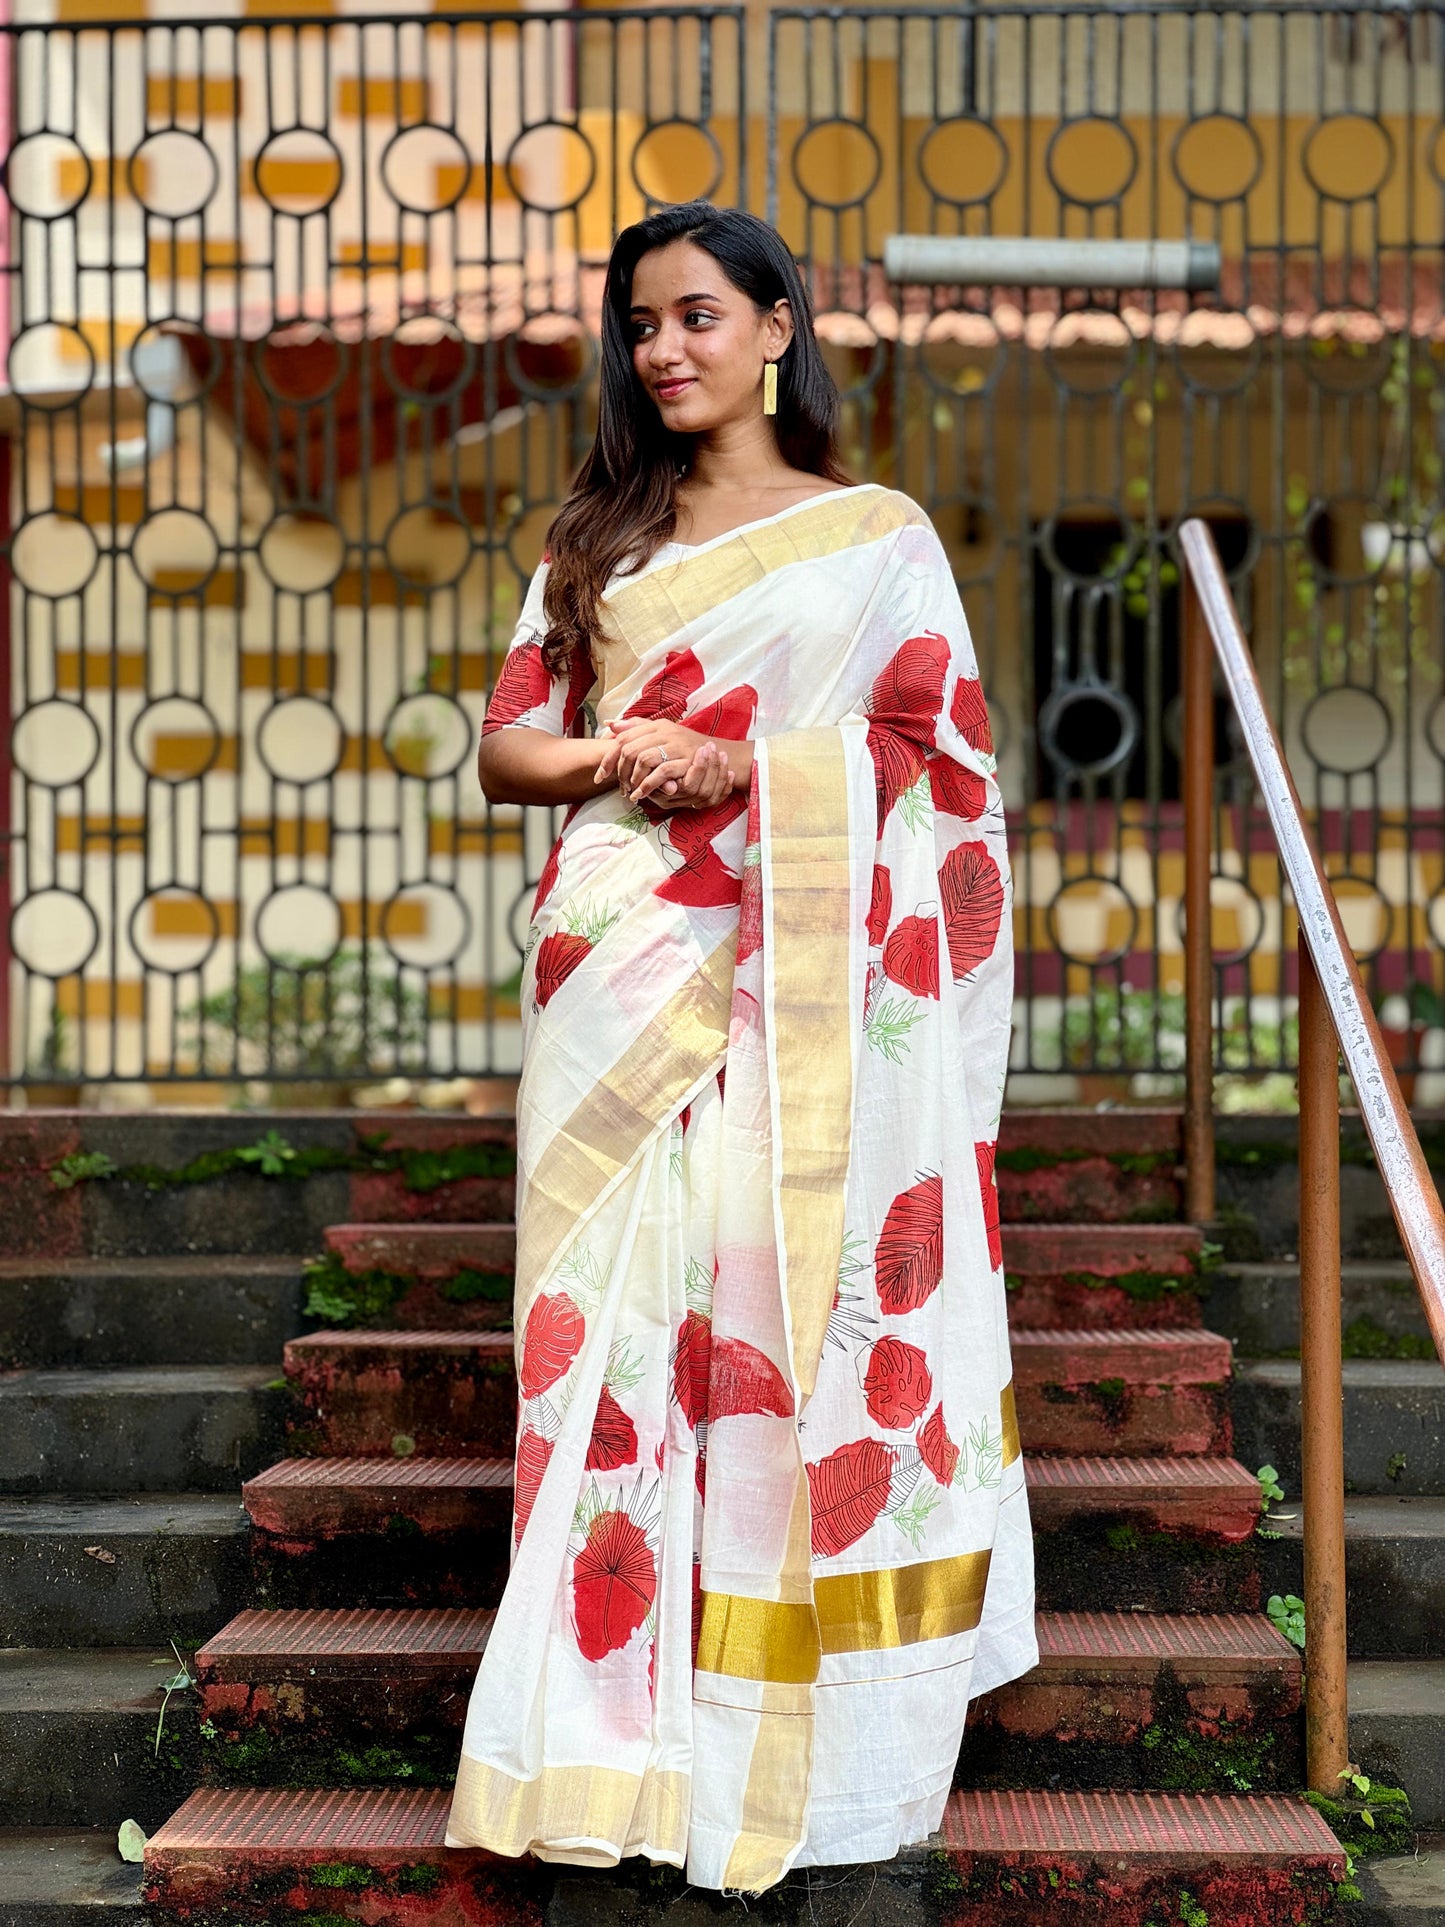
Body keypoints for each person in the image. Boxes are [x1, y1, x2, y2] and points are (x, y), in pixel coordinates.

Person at [444, 200, 1036, 1892]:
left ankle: (778, 1747)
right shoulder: (599, 538)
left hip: (805, 976)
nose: (665, 350)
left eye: (698, 315)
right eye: (640, 326)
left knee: (773, 1319)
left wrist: (760, 768)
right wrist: (642, 753)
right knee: (615, 1341)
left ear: (778, 326)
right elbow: (507, 750)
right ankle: (605, 1747)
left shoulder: (874, 539)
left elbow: (946, 770)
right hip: (626, 965)